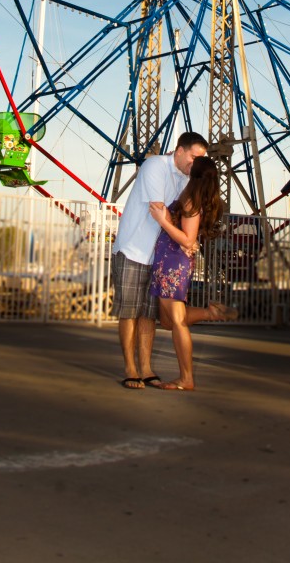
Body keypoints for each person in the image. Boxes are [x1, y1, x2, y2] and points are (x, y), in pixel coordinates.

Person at [111, 132, 209, 389]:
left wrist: (188, 238)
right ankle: (130, 368)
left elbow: (175, 216)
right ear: (179, 150)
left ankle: (146, 368)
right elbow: (159, 209)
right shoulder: (155, 165)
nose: (195, 163)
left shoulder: (187, 179)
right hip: (133, 249)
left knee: (147, 316)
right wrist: (184, 235)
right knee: (129, 312)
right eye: (193, 156)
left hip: (157, 256)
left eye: (201, 159)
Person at [149, 156, 234, 391]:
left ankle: (186, 378)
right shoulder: (192, 197)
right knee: (167, 320)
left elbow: (188, 239)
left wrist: (162, 220)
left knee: (175, 321)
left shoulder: (190, 202)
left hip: (173, 262)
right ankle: (210, 312)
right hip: (169, 260)